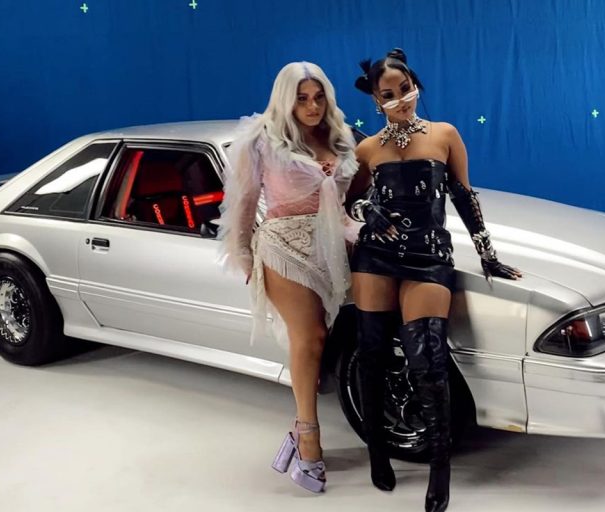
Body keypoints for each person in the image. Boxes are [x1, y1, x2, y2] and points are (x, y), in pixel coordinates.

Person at [347, 48, 522, 512]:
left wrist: (488, 255)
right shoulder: (367, 148)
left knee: (428, 361)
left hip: (428, 257)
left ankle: (440, 469)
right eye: (388, 94)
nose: (400, 100)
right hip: (375, 256)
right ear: (375, 100)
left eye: (405, 89)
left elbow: (464, 195)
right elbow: (349, 203)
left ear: (415, 85)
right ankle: (377, 451)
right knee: (372, 356)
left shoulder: (444, 134)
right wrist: (368, 210)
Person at [219, 61, 357, 493]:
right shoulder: (260, 140)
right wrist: (244, 257)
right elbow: (244, 203)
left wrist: (360, 231)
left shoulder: (340, 136)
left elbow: (343, 207)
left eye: (318, 98)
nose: (312, 107)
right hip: (284, 245)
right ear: (285, 100)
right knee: (310, 336)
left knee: (328, 339)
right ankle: (308, 435)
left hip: (334, 248)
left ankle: (298, 435)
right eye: (301, 99)